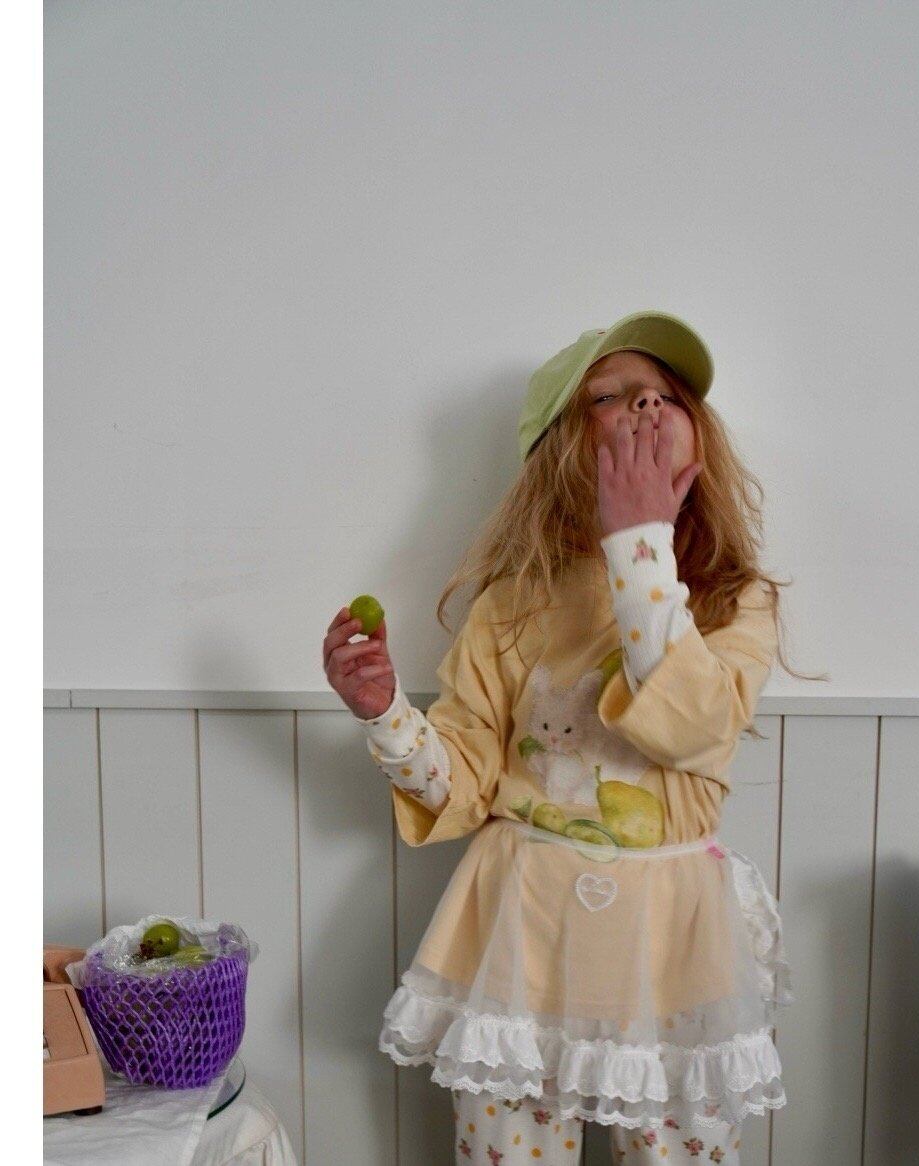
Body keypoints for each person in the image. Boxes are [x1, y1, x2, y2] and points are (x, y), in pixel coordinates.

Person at [322, 310, 821, 1163]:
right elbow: (464, 782)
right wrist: (386, 712)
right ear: (562, 447)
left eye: (665, 394)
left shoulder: (733, 599)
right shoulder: (514, 604)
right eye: (609, 397)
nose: (645, 407)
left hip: (673, 943)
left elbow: (694, 726)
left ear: (699, 437)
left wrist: (640, 545)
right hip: (521, 934)